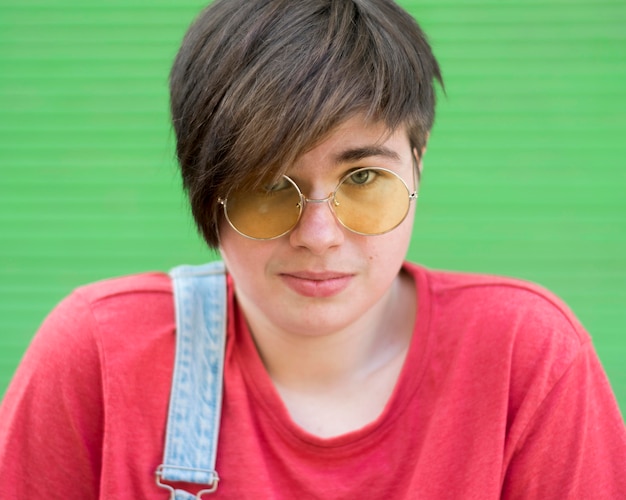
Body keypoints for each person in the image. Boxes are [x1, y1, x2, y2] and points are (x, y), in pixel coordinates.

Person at [1, 0, 625, 498]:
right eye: (270, 186)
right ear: (203, 185)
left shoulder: (527, 361)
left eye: (362, 179)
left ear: (418, 164)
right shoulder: (100, 355)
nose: (319, 236)